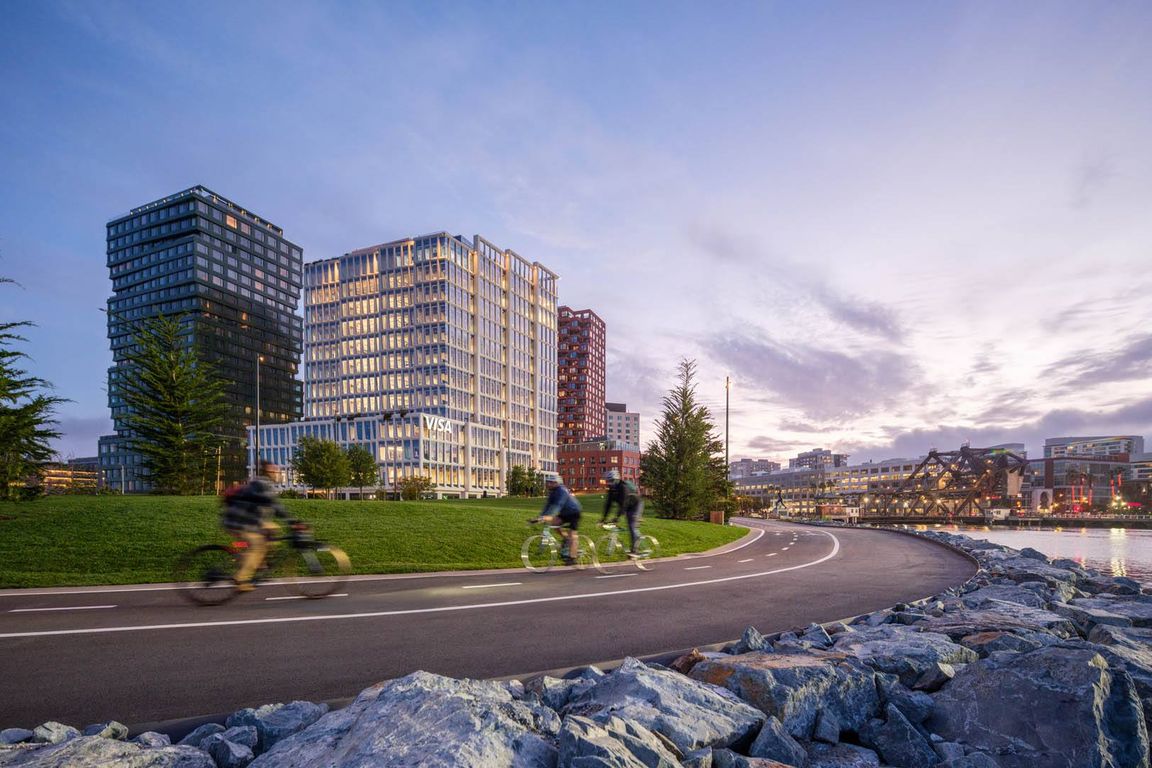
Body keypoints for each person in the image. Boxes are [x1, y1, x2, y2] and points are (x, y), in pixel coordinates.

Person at [220, 460, 294, 591]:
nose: (278, 474)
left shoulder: (263, 483)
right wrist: (292, 520)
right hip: (240, 521)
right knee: (257, 547)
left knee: (274, 529)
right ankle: (241, 579)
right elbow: (273, 505)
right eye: (276, 471)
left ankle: (260, 562)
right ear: (269, 472)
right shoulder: (261, 484)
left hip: (251, 519)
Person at [530, 473, 582, 565]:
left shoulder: (562, 491)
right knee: (555, 524)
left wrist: (548, 516)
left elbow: (558, 505)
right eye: (548, 482)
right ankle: (566, 539)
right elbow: (548, 506)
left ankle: (573, 557)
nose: (548, 484)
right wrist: (540, 517)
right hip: (564, 513)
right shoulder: (553, 492)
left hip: (574, 512)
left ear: (556, 483)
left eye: (550, 482)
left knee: (572, 534)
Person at [601, 469, 643, 555]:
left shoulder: (623, 487)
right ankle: (637, 539)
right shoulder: (611, 490)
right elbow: (608, 505)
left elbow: (624, 504)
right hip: (627, 507)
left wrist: (617, 517)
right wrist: (603, 518)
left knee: (631, 526)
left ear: (616, 479)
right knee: (630, 526)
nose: (609, 483)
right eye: (608, 481)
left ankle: (635, 550)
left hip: (636, 505)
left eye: (611, 481)